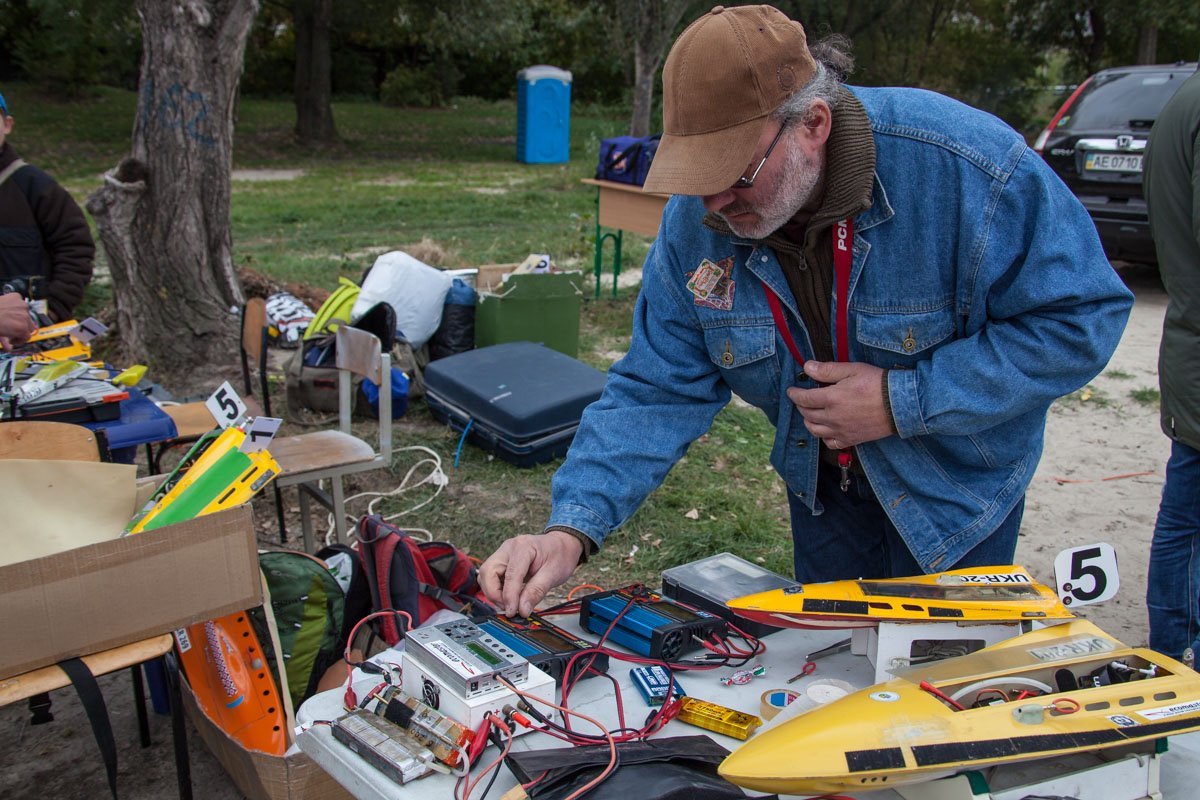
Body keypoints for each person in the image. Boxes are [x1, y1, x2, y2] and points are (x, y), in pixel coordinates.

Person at [480, 5, 1134, 617]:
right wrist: (572, 529)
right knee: (839, 687)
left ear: (813, 124)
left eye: (736, 172)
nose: (712, 204)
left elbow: (1080, 319)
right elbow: (656, 385)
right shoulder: (700, 216)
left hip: (954, 494)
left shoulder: (968, 168)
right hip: (824, 493)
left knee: (935, 698)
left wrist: (905, 400)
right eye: (696, 175)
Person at [1143, 66, 1200, 666]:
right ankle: (1179, 653)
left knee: (1186, 506)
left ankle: (1172, 650)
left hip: (1189, 338)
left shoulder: (1182, 101)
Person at [0, 88, 95, 323]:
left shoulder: (35, 185)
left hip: (32, 334)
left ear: (7, 125)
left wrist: (53, 309)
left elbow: (75, 247)